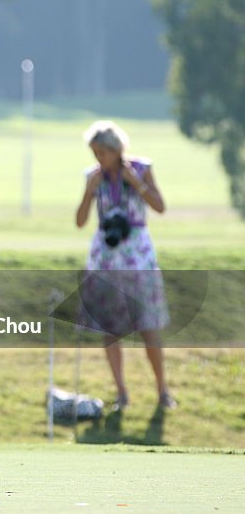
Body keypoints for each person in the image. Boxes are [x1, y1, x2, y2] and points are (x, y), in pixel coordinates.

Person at [75, 120, 175, 411]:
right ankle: (121, 393)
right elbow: (80, 222)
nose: (98, 159)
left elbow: (159, 207)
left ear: (116, 150)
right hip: (106, 258)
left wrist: (137, 183)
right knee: (111, 328)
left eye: (102, 153)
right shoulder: (93, 177)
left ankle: (162, 392)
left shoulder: (142, 169)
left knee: (148, 326)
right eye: (94, 153)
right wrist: (88, 191)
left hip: (138, 257)